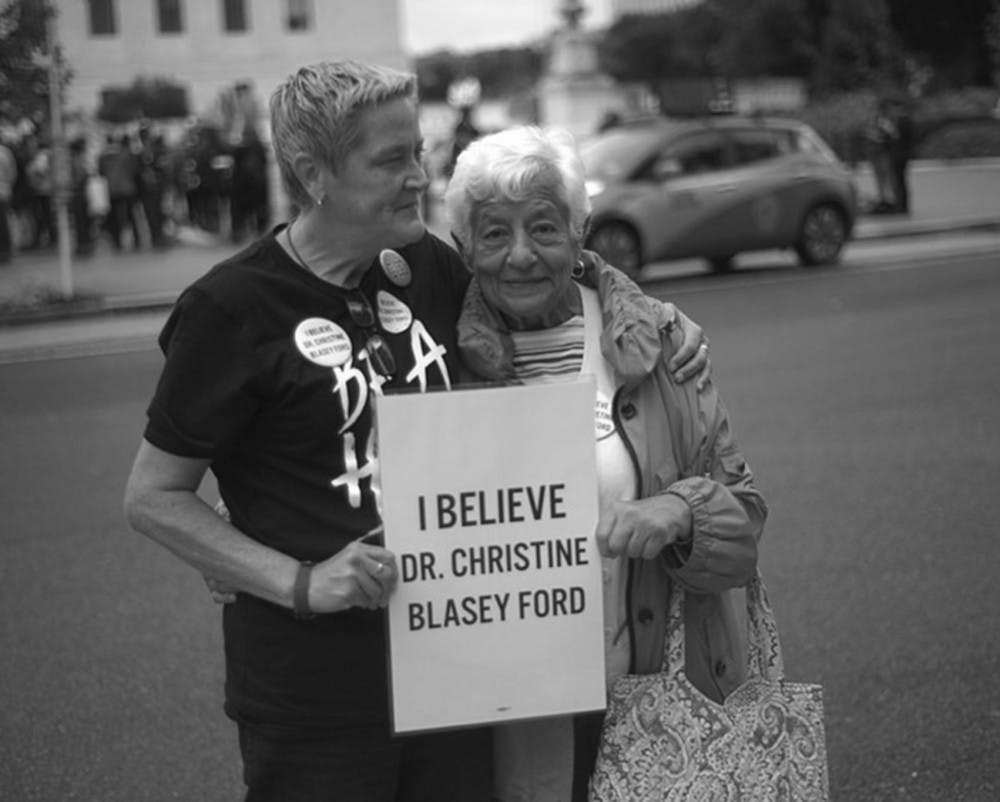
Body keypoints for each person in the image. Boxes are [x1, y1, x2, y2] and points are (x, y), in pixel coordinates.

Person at [124, 60, 709, 802]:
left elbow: (540, 267)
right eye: (392, 158)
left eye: (419, 152)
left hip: (456, 676)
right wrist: (296, 581)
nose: (418, 176)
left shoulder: (421, 266)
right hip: (319, 701)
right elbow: (152, 497)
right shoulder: (232, 308)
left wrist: (648, 312)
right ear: (314, 173)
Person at [443, 126, 767, 801]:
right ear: (462, 248)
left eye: (544, 228)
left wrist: (681, 510)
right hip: (514, 709)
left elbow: (745, 520)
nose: (522, 256)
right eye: (494, 234)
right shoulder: (436, 369)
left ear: (580, 231)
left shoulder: (661, 343)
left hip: (653, 691)